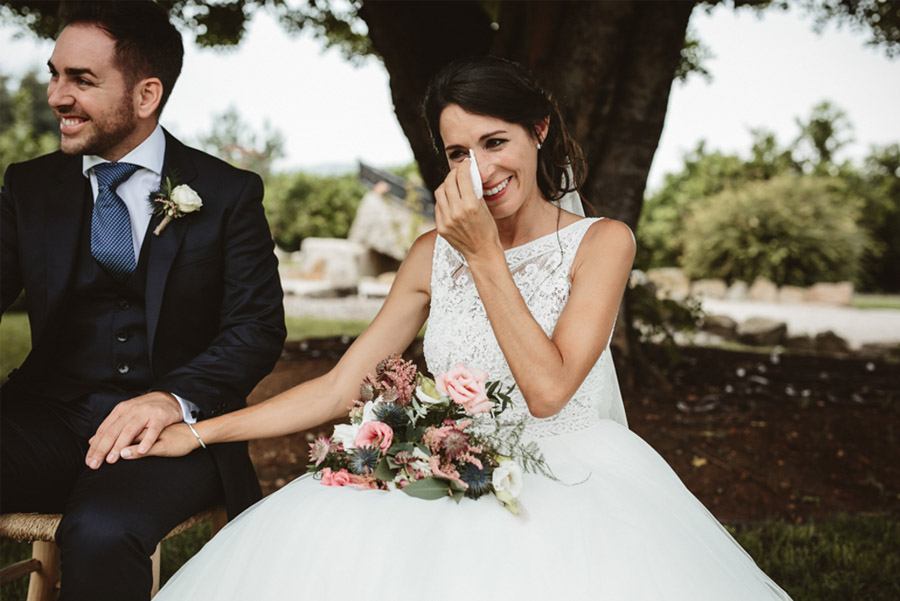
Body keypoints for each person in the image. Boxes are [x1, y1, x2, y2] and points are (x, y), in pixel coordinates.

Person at [137, 57, 792, 600]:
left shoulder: (603, 243)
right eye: (458, 152)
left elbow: (549, 389)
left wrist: (483, 254)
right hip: (439, 463)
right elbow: (341, 386)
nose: (478, 170)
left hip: (569, 478)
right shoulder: (429, 254)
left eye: (495, 142)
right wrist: (198, 432)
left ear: (539, 130)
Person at [0, 3, 285, 600]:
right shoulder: (31, 185)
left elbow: (255, 328)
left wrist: (170, 399)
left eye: (81, 80)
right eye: (54, 74)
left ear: (146, 93)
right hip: (46, 417)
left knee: (101, 532)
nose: (56, 96)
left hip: (174, 435)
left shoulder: (228, 193)